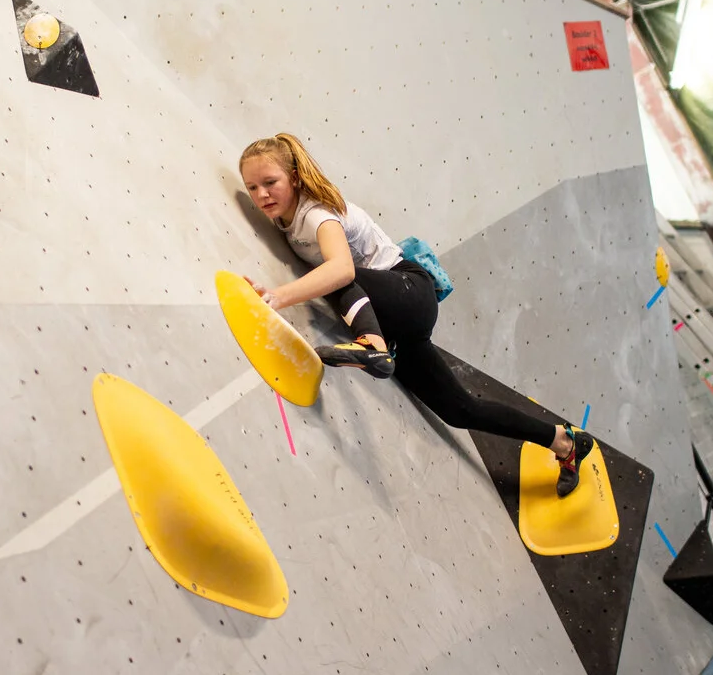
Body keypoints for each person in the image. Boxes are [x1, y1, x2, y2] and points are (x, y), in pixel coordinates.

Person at [238, 132, 594, 497]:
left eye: (271, 183)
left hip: (409, 291)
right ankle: (565, 443)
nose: (262, 195)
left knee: (334, 273)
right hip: (393, 321)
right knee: (460, 410)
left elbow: (343, 272)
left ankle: (372, 346)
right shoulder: (286, 216)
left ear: (294, 178)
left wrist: (277, 297)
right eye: (252, 187)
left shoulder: (316, 214)